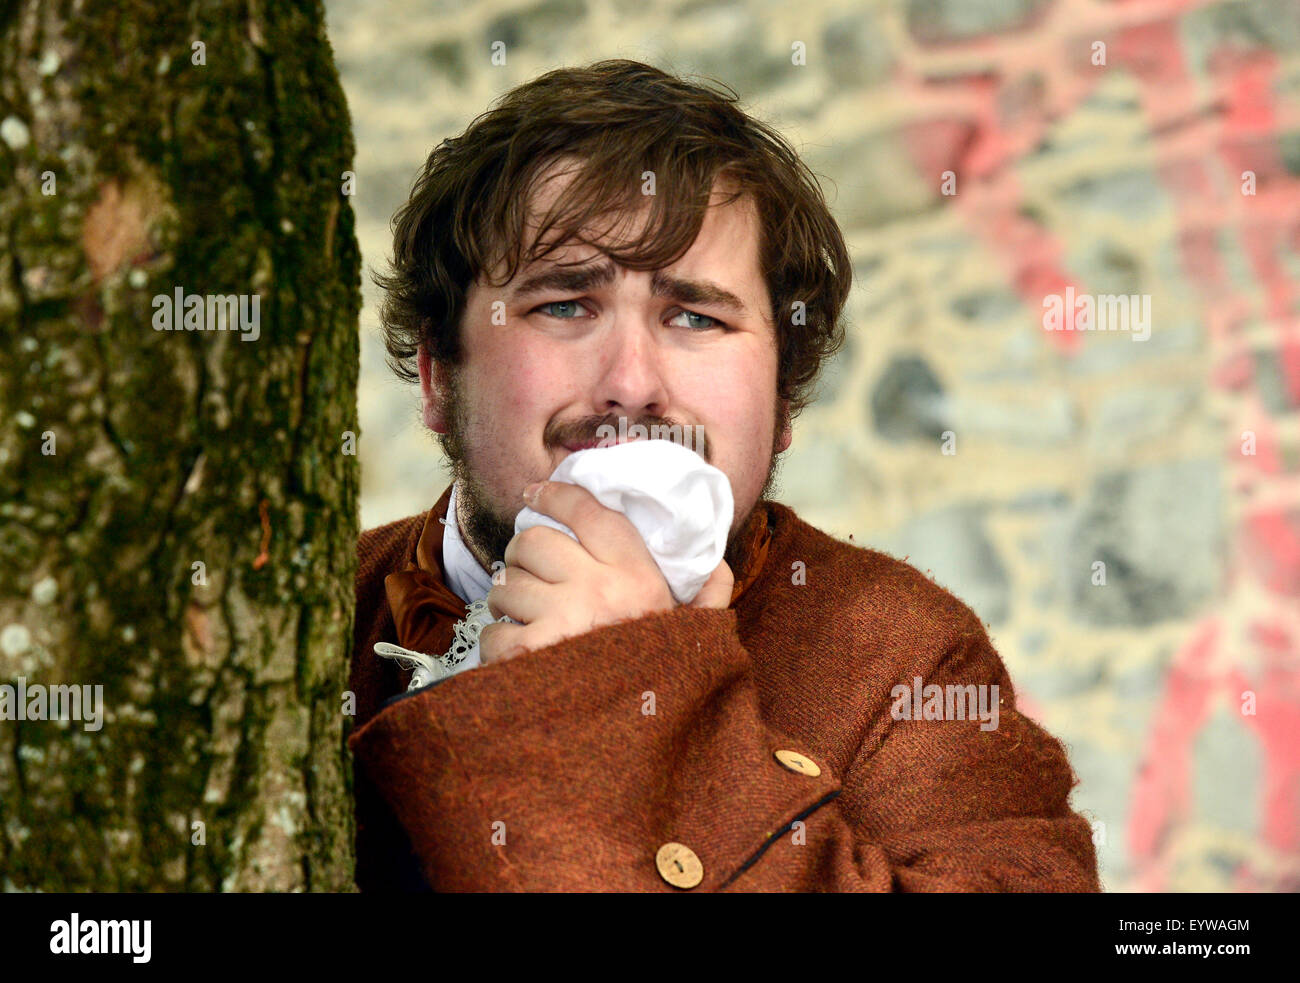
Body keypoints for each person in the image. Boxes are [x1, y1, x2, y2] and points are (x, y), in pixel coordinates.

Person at [348, 59, 1101, 892]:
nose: (631, 382)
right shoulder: (298, 616)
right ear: (438, 377)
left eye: (695, 315)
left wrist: (627, 698)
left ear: (781, 406)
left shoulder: (908, 661)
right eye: (564, 304)